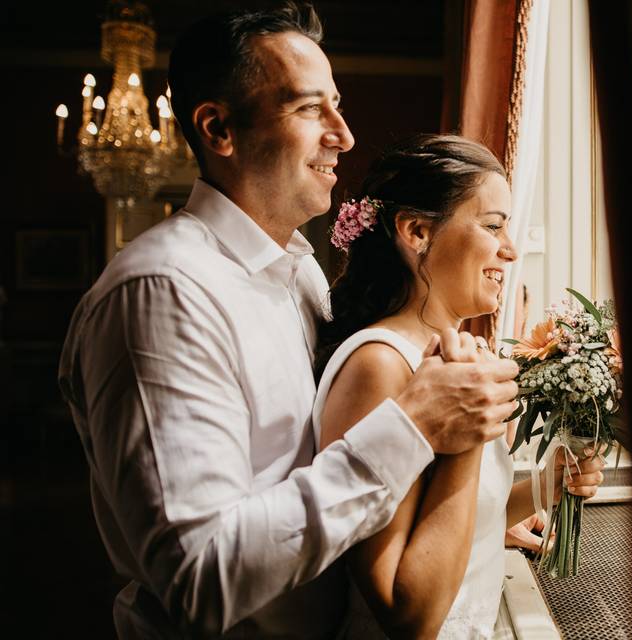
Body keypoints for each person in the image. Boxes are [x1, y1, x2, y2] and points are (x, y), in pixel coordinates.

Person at [57, 4, 519, 638]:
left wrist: (478, 514)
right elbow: (201, 578)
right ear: (219, 129)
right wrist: (412, 427)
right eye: (309, 110)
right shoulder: (163, 291)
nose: (344, 134)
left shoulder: (299, 274)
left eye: (337, 104)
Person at [313, 134, 606, 639]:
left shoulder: (452, 353)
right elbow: (407, 615)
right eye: (493, 226)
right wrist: (469, 433)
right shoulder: (380, 366)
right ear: (417, 230)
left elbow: (458, 523)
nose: (510, 250)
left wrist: (546, 485)